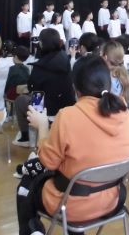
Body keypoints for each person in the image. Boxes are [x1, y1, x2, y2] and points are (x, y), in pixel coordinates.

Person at [17, 56, 129, 235]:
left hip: (72, 206)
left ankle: (32, 231)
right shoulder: (124, 112)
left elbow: (48, 162)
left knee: (27, 183)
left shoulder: (68, 116)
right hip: (112, 200)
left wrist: (43, 127)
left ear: (75, 88)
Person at [13, 28, 75, 147]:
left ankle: (26, 137)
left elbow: (32, 88)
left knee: (21, 100)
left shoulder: (40, 66)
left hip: (47, 110)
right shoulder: (65, 57)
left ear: (41, 44)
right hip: (67, 106)